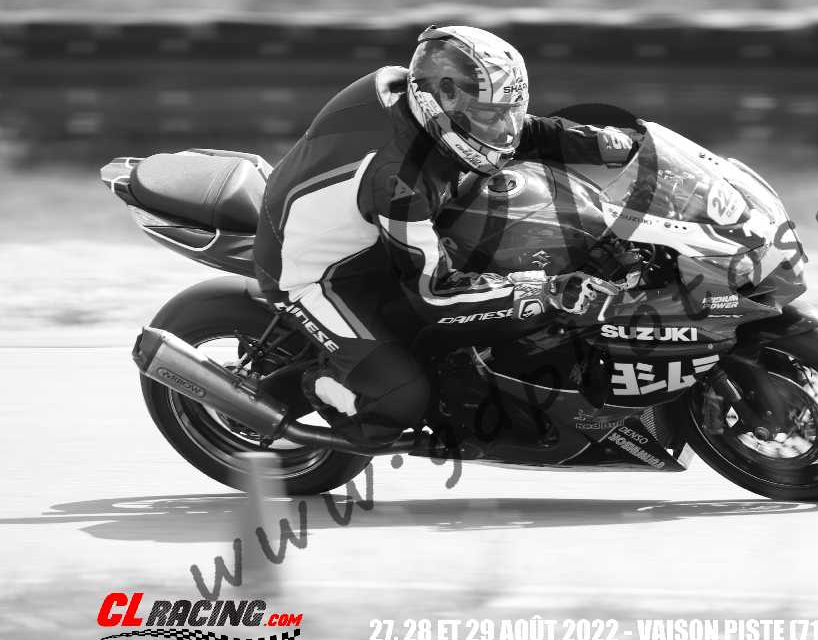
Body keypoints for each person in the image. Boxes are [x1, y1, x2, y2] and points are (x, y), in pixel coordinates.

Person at [253, 25, 633, 443]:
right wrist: (546, 291)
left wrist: (606, 144)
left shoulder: (432, 105)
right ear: (442, 102)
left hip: (374, 235)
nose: (503, 129)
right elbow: (434, 294)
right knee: (400, 399)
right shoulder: (399, 179)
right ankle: (302, 387)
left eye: (507, 111)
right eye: (490, 116)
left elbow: (520, 130)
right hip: (317, 274)